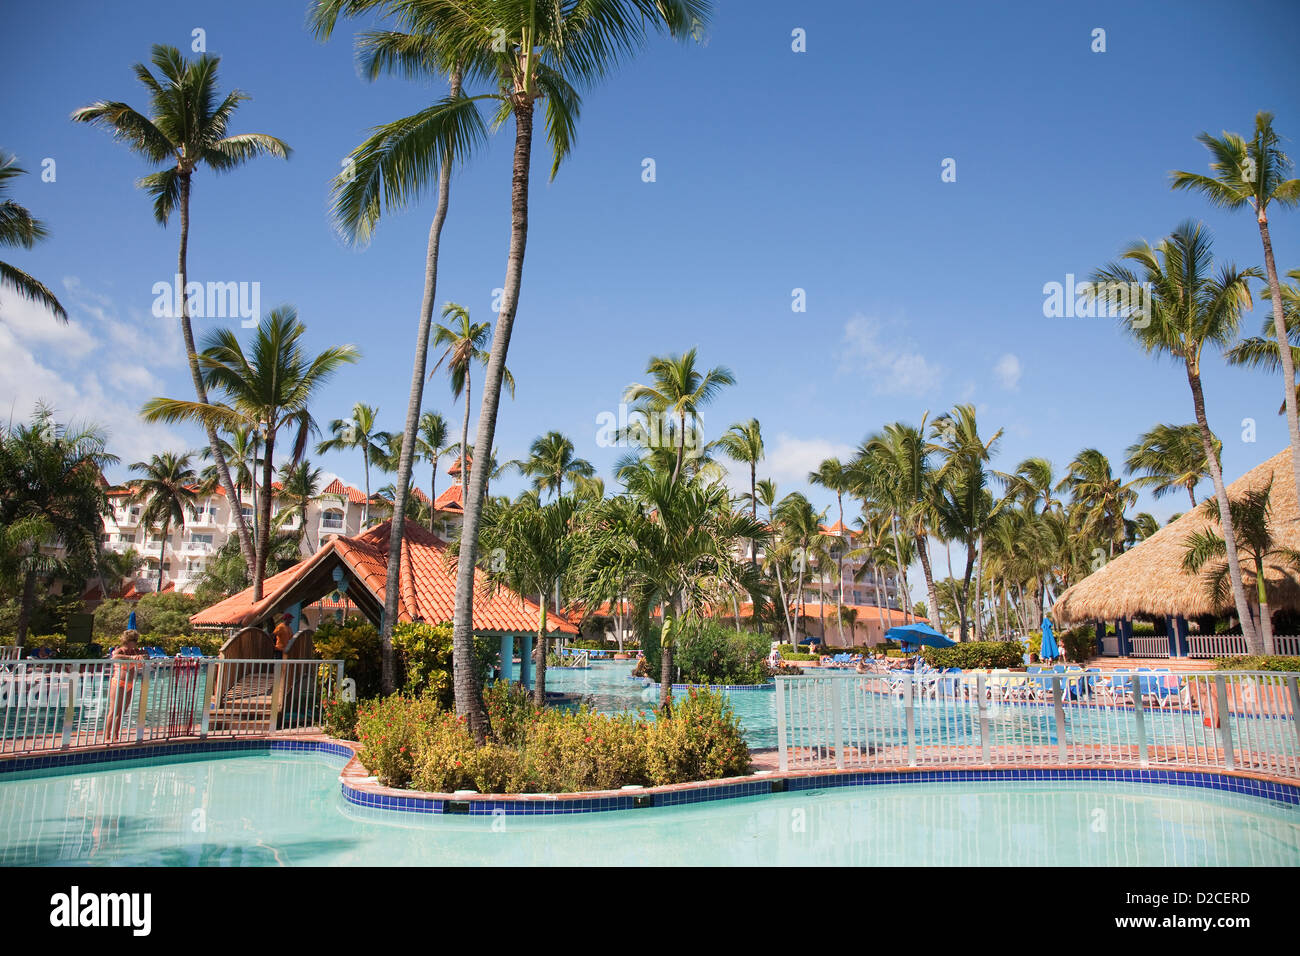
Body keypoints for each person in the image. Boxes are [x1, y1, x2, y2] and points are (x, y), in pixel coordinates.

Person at [106, 630, 147, 740]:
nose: (135, 643)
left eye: (136, 640)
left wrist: (141, 656)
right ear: (127, 641)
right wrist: (131, 658)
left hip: (129, 684)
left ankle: (115, 735)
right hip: (118, 683)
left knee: (122, 711)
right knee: (113, 710)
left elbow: (146, 655)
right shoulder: (120, 651)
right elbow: (115, 657)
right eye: (133, 640)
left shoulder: (134, 651)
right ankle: (107, 736)